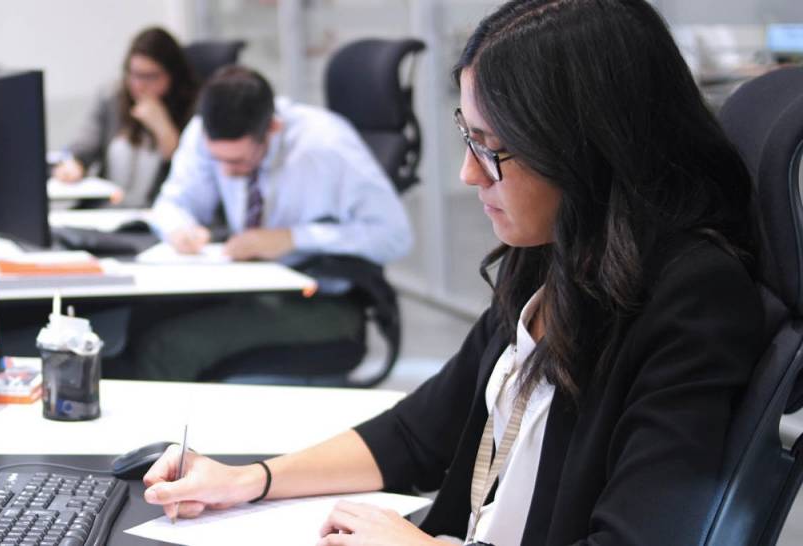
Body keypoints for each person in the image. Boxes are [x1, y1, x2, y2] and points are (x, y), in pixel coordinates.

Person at [137, 1, 768, 544]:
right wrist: (248, 480)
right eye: (468, 137)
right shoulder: (553, 254)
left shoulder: (690, 297)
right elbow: (418, 433)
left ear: (586, 147)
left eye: (493, 149)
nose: (470, 174)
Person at [115, 65, 412, 382]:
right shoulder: (206, 132)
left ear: (272, 127)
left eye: (238, 161)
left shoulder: (326, 146)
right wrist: (180, 228)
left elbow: (394, 235)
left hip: (323, 299)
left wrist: (293, 238)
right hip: (251, 286)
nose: (226, 173)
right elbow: (173, 202)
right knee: (137, 320)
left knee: (169, 348)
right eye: (218, 161)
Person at [52, 27, 198, 208]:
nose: (139, 85)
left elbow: (190, 173)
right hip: (107, 211)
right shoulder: (112, 98)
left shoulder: (194, 108)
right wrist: (75, 163)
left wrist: (162, 126)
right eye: (134, 74)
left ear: (172, 75)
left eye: (150, 76)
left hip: (154, 214)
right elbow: (84, 146)